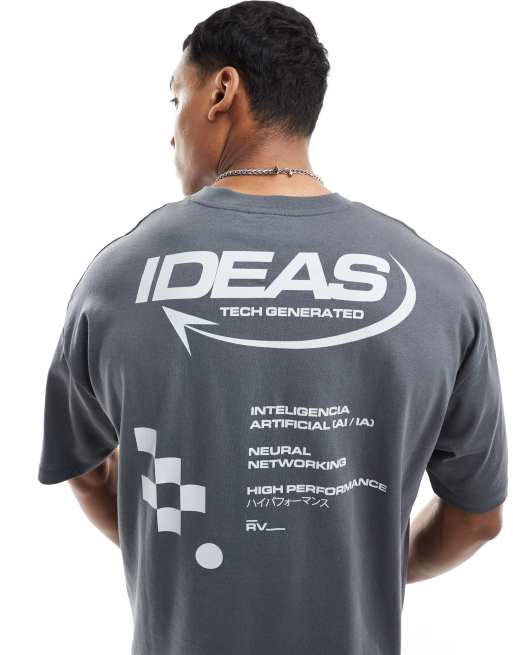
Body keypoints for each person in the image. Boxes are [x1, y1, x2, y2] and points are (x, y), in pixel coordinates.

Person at [37, 2, 508, 654]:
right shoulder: (438, 285)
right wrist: (368, 565)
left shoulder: (116, 278)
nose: (170, 136)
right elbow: (477, 519)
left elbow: (87, 468)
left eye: (176, 98)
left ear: (221, 91)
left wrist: (177, 546)